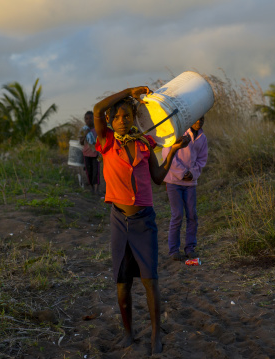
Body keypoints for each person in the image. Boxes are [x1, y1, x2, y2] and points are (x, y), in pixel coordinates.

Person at [93, 86, 189, 355]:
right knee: (122, 282)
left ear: (135, 118)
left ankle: (156, 334)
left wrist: (172, 152)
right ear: (111, 122)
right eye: (118, 117)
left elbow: (158, 178)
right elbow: (98, 109)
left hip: (144, 220)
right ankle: (127, 333)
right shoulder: (107, 142)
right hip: (119, 221)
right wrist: (128, 92)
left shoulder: (146, 143)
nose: (123, 120)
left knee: (150, 280)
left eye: (127, 116)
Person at [162, 116, 208, 261]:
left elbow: (202, 159)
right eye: (196, 118)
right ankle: (174, 250)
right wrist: (182, 173)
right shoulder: (178, 133)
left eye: (201, 119)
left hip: (190, 183)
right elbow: (167, 153)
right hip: (173, 181)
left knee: (192, 215)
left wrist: (193, 174)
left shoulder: (202, 138)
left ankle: (190, 248)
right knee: (177, 215)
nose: (198, 121)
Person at [79, 111, 100, 194]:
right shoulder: (83, 130)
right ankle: (92, 188)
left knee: (96, 172)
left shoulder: (97, 129)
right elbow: (81, 142)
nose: (89, 120)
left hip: (95, 154)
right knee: (89, 172)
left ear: (94, 119)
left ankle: (97, 189)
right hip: (86, 154)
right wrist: (85, 135)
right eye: (86, 119)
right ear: (84, 120)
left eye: (91, 118)